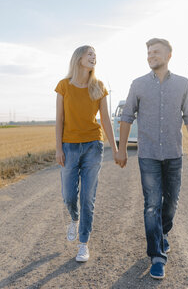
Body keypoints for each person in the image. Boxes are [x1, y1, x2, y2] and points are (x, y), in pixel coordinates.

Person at [115, 38, 188, 279]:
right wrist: (121, 149)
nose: (151, 55)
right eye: (149, 52)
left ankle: (161, 233)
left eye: (156, 52)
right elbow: (127, 117)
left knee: (170, 204)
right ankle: (156, 255)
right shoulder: (138, 84)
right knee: (152, 204)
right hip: (148, 155)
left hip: (174, 154)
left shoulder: (183, 84)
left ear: (169, 55)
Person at [55, 45, 118, 262]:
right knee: (69, 196)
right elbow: (59, 120)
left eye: (95, 55)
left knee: (87, 197)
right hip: (69, 146)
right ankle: (74, 218)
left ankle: (83, 243)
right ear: (78, 58)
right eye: (89, 54)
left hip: (93, 145)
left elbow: (106, 120)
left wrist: (116, 148)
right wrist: (58, 148)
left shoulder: (98, 86)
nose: (93, 57)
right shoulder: (64, 86)